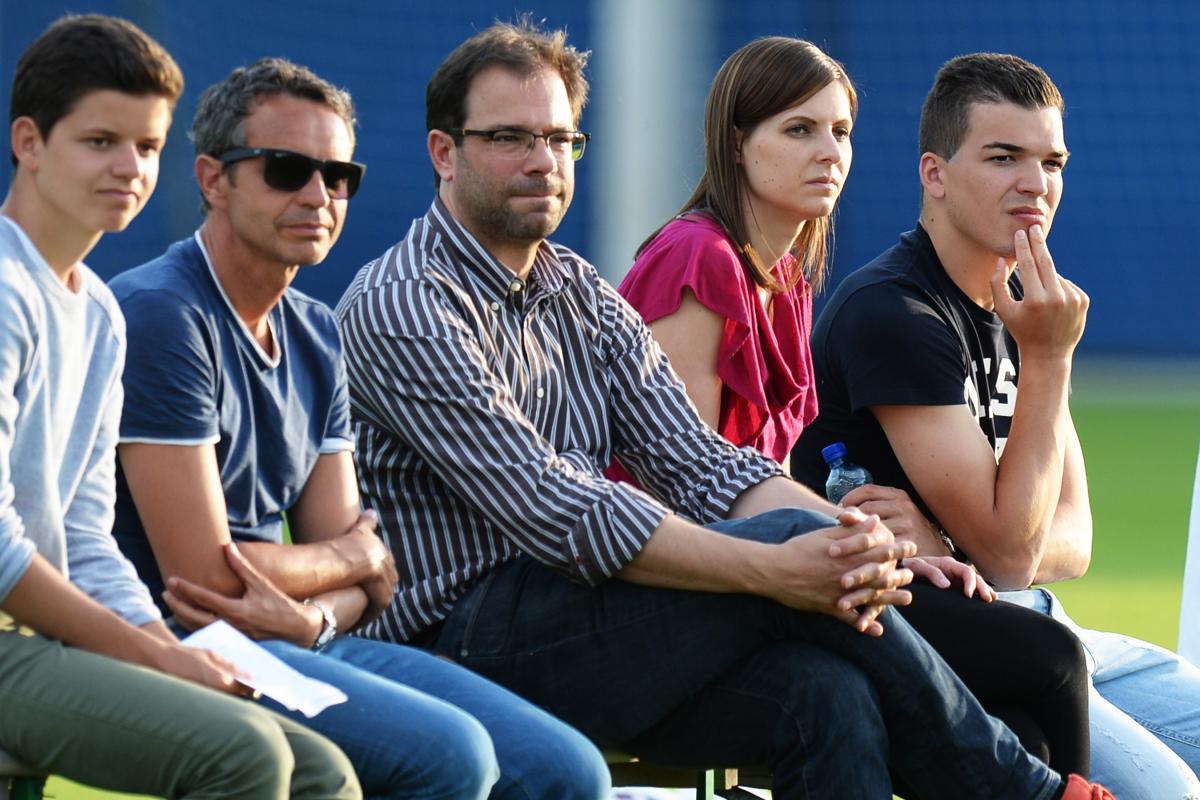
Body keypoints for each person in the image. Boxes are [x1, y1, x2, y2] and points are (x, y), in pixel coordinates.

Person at [336, 20, 1111, 800]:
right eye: (510, 138)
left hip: (589, 615)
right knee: (1029, 655)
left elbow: (701, 461)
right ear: (444, 152)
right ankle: (1034, 793)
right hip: (454, 644)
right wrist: (776, 564)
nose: (543, 161)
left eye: (562, 139)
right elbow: (554, 506)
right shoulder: (406, 303)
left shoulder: (575, 289)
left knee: (826, 695)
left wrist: (867, 543)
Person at [108, 57, 608, 800]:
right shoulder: (162, 315)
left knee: (569, 771)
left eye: (339, 176)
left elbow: (377, 580)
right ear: (213, 180)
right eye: (286, 170)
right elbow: (205, 579)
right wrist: (349, 558)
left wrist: (315, 611)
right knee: (450, 758)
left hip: (297, 635)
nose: (318, 196)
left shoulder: (314, 329)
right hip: (180, 642)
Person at [614, 36, 1091, 778]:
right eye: (799, 130)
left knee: (1024, 725)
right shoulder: (697, 256)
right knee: (1049, 659)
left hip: (777, 565)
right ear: (737, 145)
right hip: (691, 589)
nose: (829, 152)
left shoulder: (785, 278)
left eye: (840, 131)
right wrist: (868, 550)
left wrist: (905, 548)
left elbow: (1072, 540)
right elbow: (688, 482)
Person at [790, 51, 1200, 799]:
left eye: (1052, 162)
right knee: (1167, 791)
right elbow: (1012, 555)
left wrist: (950, 540)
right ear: (935, 174)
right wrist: (1048, 359)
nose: (1035, 183)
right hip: (953, 643)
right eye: (1004, 157)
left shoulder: (1024, 309)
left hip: (1045, 623)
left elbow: (1072, 538)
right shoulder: (896, 312)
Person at [0, 15, 358, 799]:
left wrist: (166, 646)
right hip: (13, 642)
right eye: (100, 141)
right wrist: (154, 654)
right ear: (30, 142)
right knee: (246, 758)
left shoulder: (98, 311)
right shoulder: (7, 290)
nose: (129, 167)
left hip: (47, 636)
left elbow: (86, 536)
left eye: (147, 146)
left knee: (323, 771)